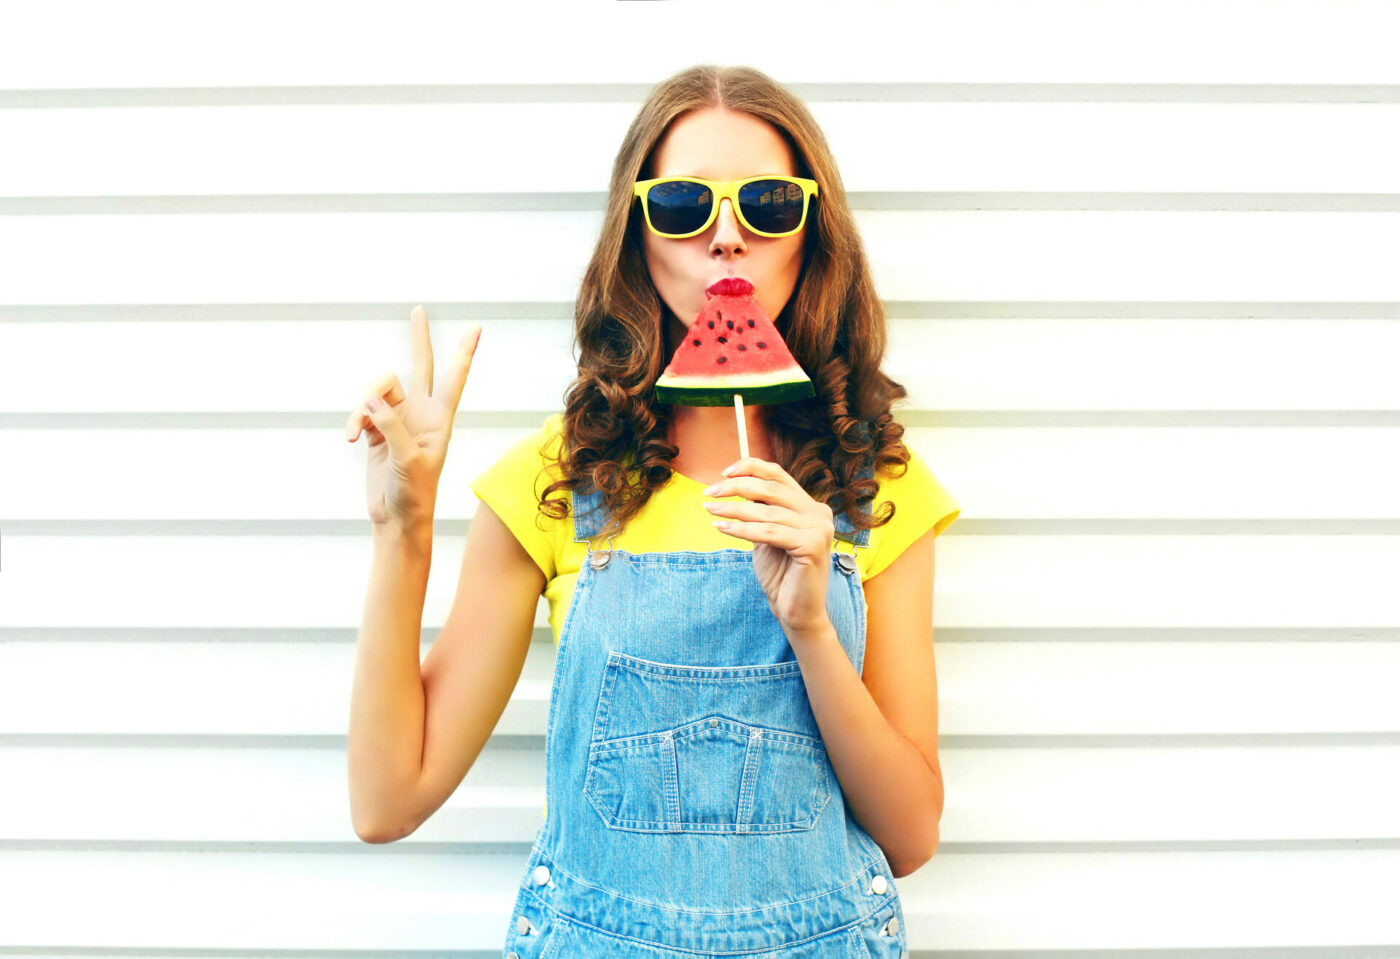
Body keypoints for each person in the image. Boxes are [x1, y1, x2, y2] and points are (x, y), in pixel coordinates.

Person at [345, 65, 958, 958]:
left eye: (768, 205)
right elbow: (385, 800)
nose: (726, 239)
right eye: (680, 205)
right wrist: (402, 529)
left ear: (811, 234)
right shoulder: (555, 481)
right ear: (637, 237)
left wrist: (814, 627)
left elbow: (911, 836)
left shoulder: (877, 487)